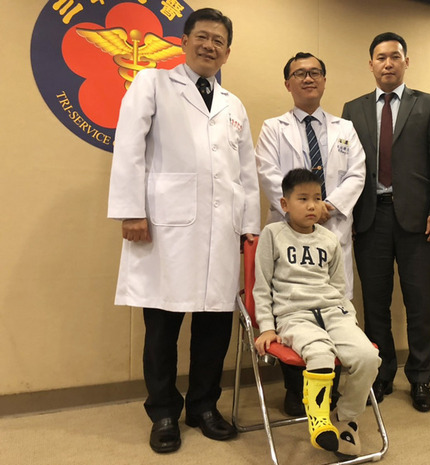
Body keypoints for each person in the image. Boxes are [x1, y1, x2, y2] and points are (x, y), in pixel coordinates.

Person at [107, 8, 260, 454]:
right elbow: (129, 147)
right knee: (162, 327)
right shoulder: (152, 83)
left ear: (227, 52)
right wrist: (131, 211)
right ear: (184, 41)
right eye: (202, 37)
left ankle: (203, 406)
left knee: (214, 327)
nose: (210, 46)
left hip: (222, 231)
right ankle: (163, 413)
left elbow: (245, 172)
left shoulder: (234, 104)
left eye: (219, 41)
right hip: (165, 229)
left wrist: (249, 226)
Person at [341, 32, 430, 412]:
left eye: (394, 56)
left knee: (420, 302)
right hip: (369, 217)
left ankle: (420, 377)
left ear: (406, 61)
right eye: (380, 57)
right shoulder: (353, 109)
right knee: (375, 304)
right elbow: (344, 165)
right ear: (370, 64)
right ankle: (382, 372)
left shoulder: (429, 104)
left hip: (420, 220)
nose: (387, 63)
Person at [255, 52, 365, 416]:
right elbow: (268, 173)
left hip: (332, 227)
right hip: (288, 230)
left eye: (315, 72)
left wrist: (326, 206)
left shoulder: (345, 128)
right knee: (294, 309)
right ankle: (295, 389)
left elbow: (357, 173)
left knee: (333, 304)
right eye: (300, 73)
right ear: (288, 83)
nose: (308, 78)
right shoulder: (273, 128)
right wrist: (299, 208)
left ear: (324, 81)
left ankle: (331, 388)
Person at [253, 168, 380, 458]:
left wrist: (348, 320)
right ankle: (319, 421)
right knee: (320, 352)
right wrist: (266, 326)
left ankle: (345, 418)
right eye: (303, 199)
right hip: (294, 316)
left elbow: (338, 287)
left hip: (334, 313)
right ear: (284, 204)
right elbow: (262, 287)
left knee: (367, 356)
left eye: (317, 198)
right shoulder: (272, 235)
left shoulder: (329, 239)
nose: (312, 205)